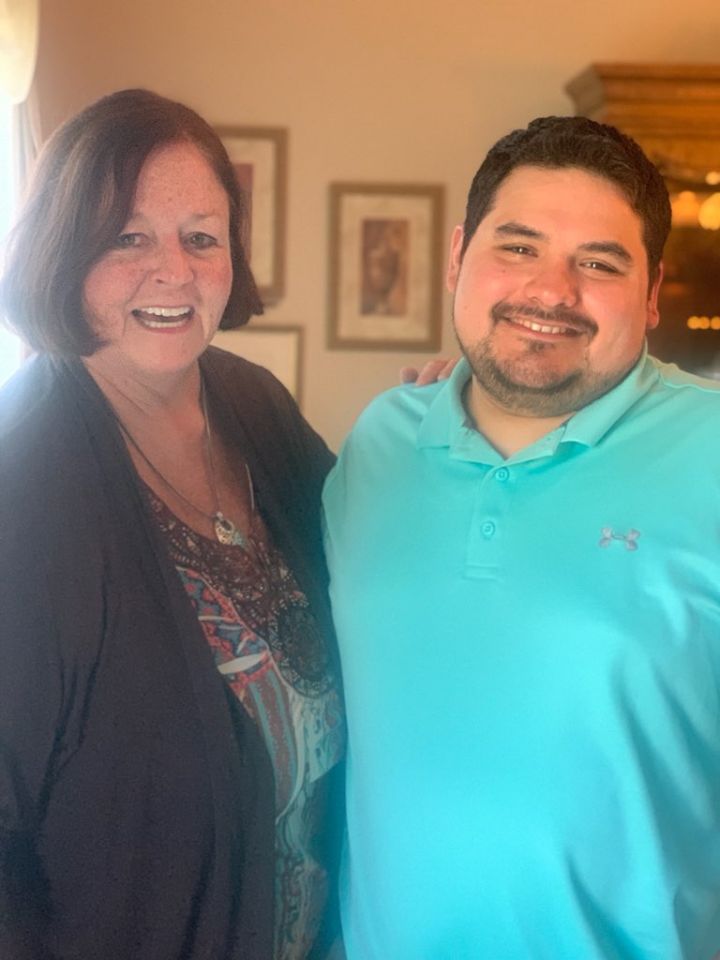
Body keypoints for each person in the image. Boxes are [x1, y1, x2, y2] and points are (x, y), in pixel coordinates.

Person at [323, 116, 720, 959]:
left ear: (653, 292)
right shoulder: (379, 444)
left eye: (600, 263)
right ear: (457, 256)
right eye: (518, 246)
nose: (551, 291)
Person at [0, 88, 346, 960]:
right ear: (64, 249)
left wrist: (443, 431)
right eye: (128, 238)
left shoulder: (254, 405)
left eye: (201, 237)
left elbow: (372, 557)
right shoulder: (22, 485)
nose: (174, 271)